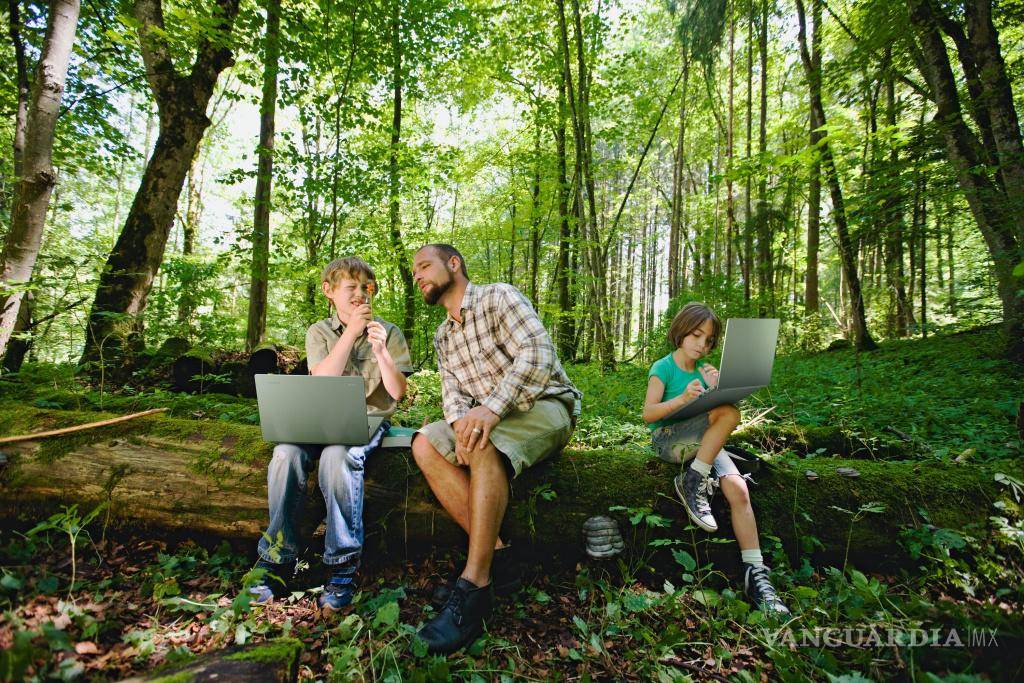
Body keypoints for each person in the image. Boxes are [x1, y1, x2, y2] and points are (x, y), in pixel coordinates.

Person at [410, 243, 582, 653]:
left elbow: (538, 354)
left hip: (545, 404)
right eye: (414, 272)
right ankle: (501, 556)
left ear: (454, 264)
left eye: (424, 266)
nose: (417, 276)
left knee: (485, 442)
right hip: (490, 418)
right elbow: (452, 395)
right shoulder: (441, 336)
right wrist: (458, 427)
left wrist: (489, 411)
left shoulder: (498, 297)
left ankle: (475, 582)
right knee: (423, 443)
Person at [248, 257, 413, 613]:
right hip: (320, 416)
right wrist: (351, 333)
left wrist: (381, 350)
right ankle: (276, 559)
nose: (358, 295)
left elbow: (398, 393)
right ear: (329, 292)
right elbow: (322, 378)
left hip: (367, 419)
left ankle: (341, 566)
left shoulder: (390, 331)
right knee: (285, 454)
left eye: (364, 288)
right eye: (349, 288)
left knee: (338, 457)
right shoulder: (319, 332)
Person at [642, 302, 788, 615]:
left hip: (703, 447)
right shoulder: (663, 367)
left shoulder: (703, 370)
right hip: (669, 441)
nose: (701, 344)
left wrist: (716, 389)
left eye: (708, 340)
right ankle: (692, 480)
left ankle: (756, 573)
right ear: (680, 332)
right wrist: (683, 398)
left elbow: (713, 416)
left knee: (738, 488)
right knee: (729, 413)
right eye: (696, 335)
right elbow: (648, 414)